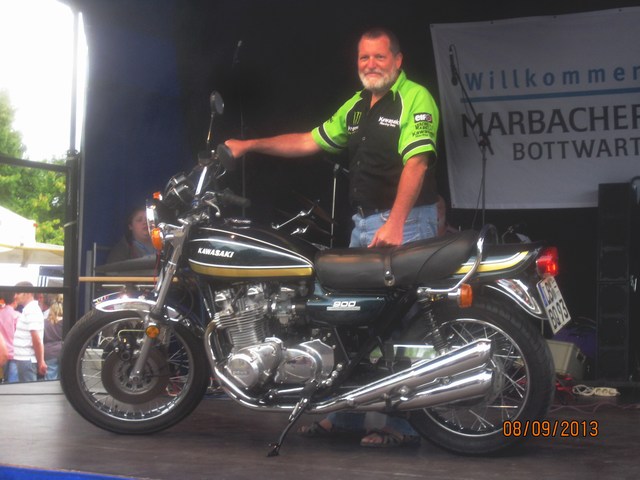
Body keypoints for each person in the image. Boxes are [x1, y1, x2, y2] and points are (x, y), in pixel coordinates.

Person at [225, 28, 439, 447]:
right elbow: (309, 140)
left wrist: (396, 222)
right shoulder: (358, 106)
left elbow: (417, 163)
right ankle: (345, 418)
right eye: (364, 58)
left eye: (379, 57)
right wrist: (250, 145)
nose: (371, 64)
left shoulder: (415, 98)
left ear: (398, 61)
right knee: (349, 321)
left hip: (405, 223)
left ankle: (403, 426)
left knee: (404, 326)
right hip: (365, 226)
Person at [13, 282, 47, 382]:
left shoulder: (31, 310)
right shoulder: (30, 309)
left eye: (18, 293)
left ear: (28, 293)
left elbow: (36, 339)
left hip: (27, 359)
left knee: (28, 389)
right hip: (26, 359)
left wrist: (40, 361)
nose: (15, 296)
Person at [0, 291, 20, 383]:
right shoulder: (17, 315)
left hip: (1, 354)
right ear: (14, 300)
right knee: (12, 384)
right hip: (14, 354)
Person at [43, 294, 64, 380]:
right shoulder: (65, 322)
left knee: (50, 379)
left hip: (49, 352)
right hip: (63, 351)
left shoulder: (45, 322)